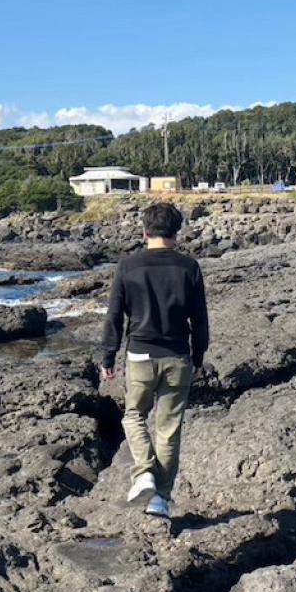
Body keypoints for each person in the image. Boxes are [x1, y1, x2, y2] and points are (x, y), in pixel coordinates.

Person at [101, 202, 209, 520]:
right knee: (168, 429)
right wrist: (199, 356)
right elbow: (200, 320)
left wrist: (108, 355)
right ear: (177, 232)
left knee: (133, 417)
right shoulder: (189, 267)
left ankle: (144, 474)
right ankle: (160, 499)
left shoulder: (128, 266)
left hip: (140, 356)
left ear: (145, 231)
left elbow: (114, 318)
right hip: (178, 357)